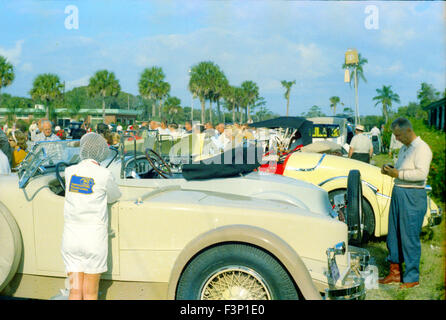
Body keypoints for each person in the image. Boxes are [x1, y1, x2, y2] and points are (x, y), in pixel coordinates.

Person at [61, 132, 121, 300]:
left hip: (71, 238)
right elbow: (114, 196)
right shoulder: (104, 174)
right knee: (90, 293)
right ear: (102, 152)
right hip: (93, 240)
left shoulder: (69, 172)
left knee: (74, 291)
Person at [379, 117, 432, 289]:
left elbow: (421, 174)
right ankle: (395, 273)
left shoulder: (422, 149)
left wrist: (397, 174)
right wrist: (390, 170)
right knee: (394, 234)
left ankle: (411, 277)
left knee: (409, 237)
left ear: (408, 130)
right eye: (395, 135)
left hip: (413, 195)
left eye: (399, 135)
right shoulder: (405, 148)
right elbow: (401, 169)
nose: (396, 139)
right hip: (399, 192)